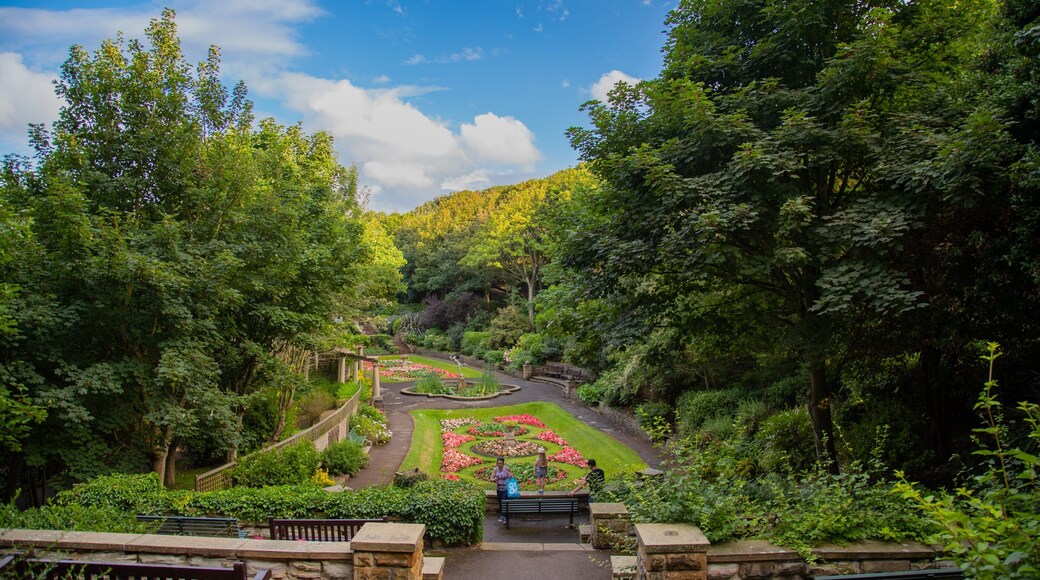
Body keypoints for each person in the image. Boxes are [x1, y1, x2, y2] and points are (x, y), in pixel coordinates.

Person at [492, 456, 513, 523]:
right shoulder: (495, 470)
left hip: (505, 488)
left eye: (501, 463)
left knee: (503, 501)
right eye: (498, 463)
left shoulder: (506, 468)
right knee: (500, 503)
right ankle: (502, 516)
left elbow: (512, 476)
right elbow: (491, 478)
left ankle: (504, 517)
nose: (500, 465)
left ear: (503, 463)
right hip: (498, 488)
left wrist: (510, 475)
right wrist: (494, 479)